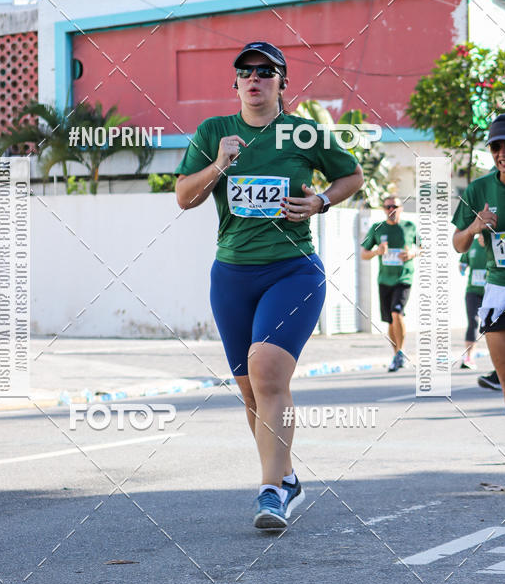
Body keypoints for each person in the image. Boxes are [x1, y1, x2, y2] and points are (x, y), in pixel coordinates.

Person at [175, 41, 363, 529]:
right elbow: (184, 198)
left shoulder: (304, 133)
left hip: (292, 270)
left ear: (282, 83)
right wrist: (218, 164)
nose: (254, 78)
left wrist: (320, 201)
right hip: (231, 276)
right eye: (245, 71)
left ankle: (270, 493)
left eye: (265, 71)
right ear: (235, 82)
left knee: (267, 371)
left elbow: (352, 175)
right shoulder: (213, 132)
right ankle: (287, 477)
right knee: (252, 393)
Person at [452, 112, 505, 488]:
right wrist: (474, 226)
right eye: (496, 146)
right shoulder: (479, 189)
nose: (503, 153)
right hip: (500, 292)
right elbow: (458, 244)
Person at [360, 195, 420, 371]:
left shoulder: (410, 227)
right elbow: (364, 254)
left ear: (401, 208)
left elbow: (422, 247)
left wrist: (412, 254)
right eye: (387, 207)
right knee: (390, 321)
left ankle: (400, 352)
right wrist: (376, 252)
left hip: (404, 278)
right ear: (383, 210)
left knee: (397, 313)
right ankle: (396, 355)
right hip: (385, 280)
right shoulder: (377, 228)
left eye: (394, 206)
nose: (391, 210)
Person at [458, 233, 487, 368]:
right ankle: (469, 358)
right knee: (473, 321)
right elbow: (463, 262)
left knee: (494, 325)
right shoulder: (471, 244)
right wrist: (462, 267)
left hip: (492, 292)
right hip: (473, 291)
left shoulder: (494, 242)